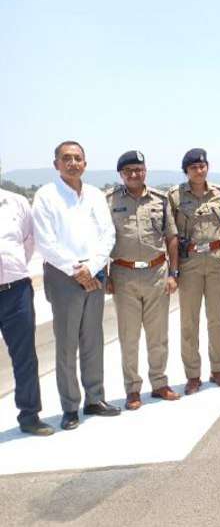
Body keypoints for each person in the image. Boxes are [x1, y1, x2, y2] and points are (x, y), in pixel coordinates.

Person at [32, 141, 120, 430]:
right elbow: (45, 241)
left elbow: (107, 234)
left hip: (94, 271)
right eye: (66, 158)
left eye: (78, 158)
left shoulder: (95, 194)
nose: (73, 163)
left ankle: (95, 398)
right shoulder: (46, 196)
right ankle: (70, 407)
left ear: (85, 163)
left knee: (93, 339)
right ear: (56, 163)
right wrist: (76, 269)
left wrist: (92, 267)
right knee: (67, 343)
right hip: (63, 276)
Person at [106, 150, 181, 411]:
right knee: (129, 336)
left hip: (156, 273)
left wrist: (174, 273)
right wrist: (106, 275)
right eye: (129, 171)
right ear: (121, 175)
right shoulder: (110, 200)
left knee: (158, 335)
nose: (134, 174)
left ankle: (159, 383)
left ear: (145, 171)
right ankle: (133, 389)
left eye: (138, 169)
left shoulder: (160, 200)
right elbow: (103, 239)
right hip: (123, 275)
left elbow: (171, 237)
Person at [168, 148, 220, 395]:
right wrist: (172, 271)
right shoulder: (175, 196)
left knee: (216, 319)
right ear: (186, 170)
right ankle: (193, 375)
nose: (199, 170)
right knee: (189, 320)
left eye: (202, 165)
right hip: (190, 261)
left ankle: (218, 369)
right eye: (193, 167)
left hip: (216, 260)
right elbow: (171, 234)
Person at [0, 187, 53, 435]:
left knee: (25, 357)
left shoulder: (16, 202)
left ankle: (29, 415)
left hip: (16, 290)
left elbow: (29, 242)